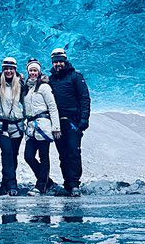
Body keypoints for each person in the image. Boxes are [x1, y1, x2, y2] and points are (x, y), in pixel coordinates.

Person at [49, 48, 90, 197]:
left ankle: (74, 185)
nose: (58, 64)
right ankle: (67, 184)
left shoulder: (76, 77)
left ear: (65, 61)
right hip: (57, 124)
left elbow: (84, 98)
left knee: (74, 152)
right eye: (55, 62)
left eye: (60, 61)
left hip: (73, 122)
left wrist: (84, 119)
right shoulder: (51, 80)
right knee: (63, 155)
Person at [23, 58, 61, 196]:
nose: (33, 73)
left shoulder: (45, 87)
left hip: (44, 126)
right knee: (28, 156)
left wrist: (56, 127)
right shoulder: (27, 89)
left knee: (44, 156)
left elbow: (52, 107)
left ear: (39, 72)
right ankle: (47, 182)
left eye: (35, 70)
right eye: (31, 70)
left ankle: (41, 186)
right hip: (31, 127)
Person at [0, 57, 25, 196]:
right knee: (7, 152)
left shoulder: (21, 84)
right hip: (0, 125)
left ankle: (5, 184)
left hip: (17, 125)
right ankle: (12, 184)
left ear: (15, 69)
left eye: (11, 68)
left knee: (13, 155)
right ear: (2, 70)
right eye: (6, 69)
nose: (9, 71)